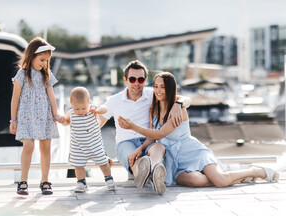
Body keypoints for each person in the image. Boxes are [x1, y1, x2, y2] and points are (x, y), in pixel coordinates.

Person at [119, 71, 279, 192]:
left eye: (163, 87)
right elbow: (152, 137)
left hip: (192, 152)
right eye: (156, 86)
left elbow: (160, 134)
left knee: (221, 181)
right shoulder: (154, 109)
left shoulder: (178, 110)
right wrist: (139, 150)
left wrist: (133, 126)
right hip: (175, 161)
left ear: (171, 88)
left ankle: (255, 171)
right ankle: (235, 176)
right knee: (195, 181)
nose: (159, 90)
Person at [99, 60, 191, 193]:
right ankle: (145, 176)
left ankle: (155, 172)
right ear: (125, 80)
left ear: (145, 80)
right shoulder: (114, 100)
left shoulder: (152, 94)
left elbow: (187, 99)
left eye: (140, 80)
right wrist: (102, 154)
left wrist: (179, 104)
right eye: (132, 79)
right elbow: (96, 127)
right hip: (126, 143)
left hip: (149, 140)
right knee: (136, 161)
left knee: (159, 147)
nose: (136, 83)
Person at [9, 37, 64, 196]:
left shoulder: (46, 74)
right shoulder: (22, 74)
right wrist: (13, 120)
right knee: (29, 146)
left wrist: (55, 114)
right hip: (26, 116)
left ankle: (45, 180)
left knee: (45, 148)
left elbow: (52, 96)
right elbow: (15, 98)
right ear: (31, 56)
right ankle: (23, 180)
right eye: (41, 60)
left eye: (47, 61)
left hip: (45, 115)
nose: (44, 64)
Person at [59, 87, 116, 193]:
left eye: (83, 108)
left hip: (95, 144)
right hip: (78, 146)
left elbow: (105, 109)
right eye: (77, 109)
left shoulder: (93, 109)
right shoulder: (71, 113)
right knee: (78, 165)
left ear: (88, 102)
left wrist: (99, 110)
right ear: (71, 104)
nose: (80, 111)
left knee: (103, 162)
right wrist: (62, 120)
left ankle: (109, 178)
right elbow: (66, 122)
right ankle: (81, 182)